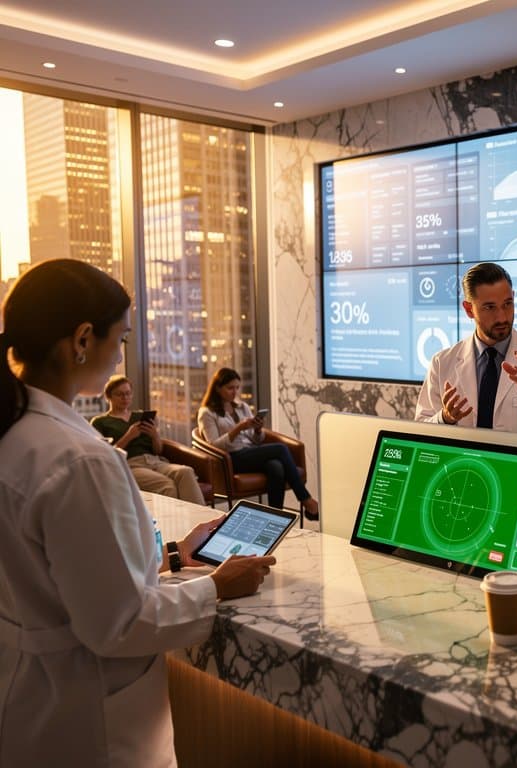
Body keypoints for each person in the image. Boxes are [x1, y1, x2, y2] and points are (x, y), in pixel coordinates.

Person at [0, 259, 275, 767]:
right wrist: (216, 587)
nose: (121, 355)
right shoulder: (78, 460)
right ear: (83, 339)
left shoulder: (18, 435)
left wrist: (173, 555)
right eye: (122, 338)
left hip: (29, 707)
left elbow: (61, 573)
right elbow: (119, 623)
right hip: (88, 727)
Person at [415, 262, 517, 436]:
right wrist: (445, 418)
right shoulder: (442, 363)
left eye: (507, 304)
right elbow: (419, 430)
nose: (502, 317)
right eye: (490, 307)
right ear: (469, 309)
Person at [197, 367, 319, 520]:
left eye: (237, 388)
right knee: (280, 449)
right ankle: (306, 500)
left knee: (276, 466)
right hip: (230, 458)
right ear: (217, 388)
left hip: (250, 453)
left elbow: (256, 440)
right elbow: (213, 446)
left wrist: (257, 430)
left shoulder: (242, 407)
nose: (234, 392)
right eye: (230, 388)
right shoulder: (207, 413)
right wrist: (238, 428)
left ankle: (275, 518)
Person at [92, 375, 206, 505]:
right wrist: (129, 436)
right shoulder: (101, 422)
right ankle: (174, 518)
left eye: (128, 393)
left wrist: (154, 435)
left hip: (154, 461)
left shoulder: (140, 416)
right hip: (130, 464)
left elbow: (158, 450)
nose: (125, 398)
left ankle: (203, 517)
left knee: (186, 472)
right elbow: (105, 454)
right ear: (109, 397)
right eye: (120, 394)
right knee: (166, 485)